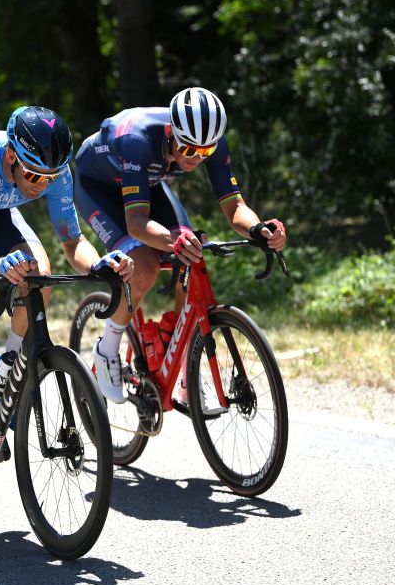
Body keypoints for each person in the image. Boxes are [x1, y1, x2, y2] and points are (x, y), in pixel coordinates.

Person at [0, 105, 134, 500]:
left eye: (49, 178)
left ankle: (11, 365)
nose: (39, 186)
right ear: (12, 157)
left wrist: (101, 262)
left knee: (40, 274)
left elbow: (73, 242)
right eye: (33, 176)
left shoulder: (53, 171)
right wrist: (2, 265)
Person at [73, 86, 287, 412]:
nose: (195, 159)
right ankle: (107, 348)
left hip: (147, 183)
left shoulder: (208, 144)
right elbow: (136, 223)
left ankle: (184, 363)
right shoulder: (138, 141)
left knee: (192, 254)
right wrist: (173, 239)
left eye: (204, 153)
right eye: (188, 149)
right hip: (98, 187)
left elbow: (235, 207)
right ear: (171, 132)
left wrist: (259, 229)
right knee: (143, 265)